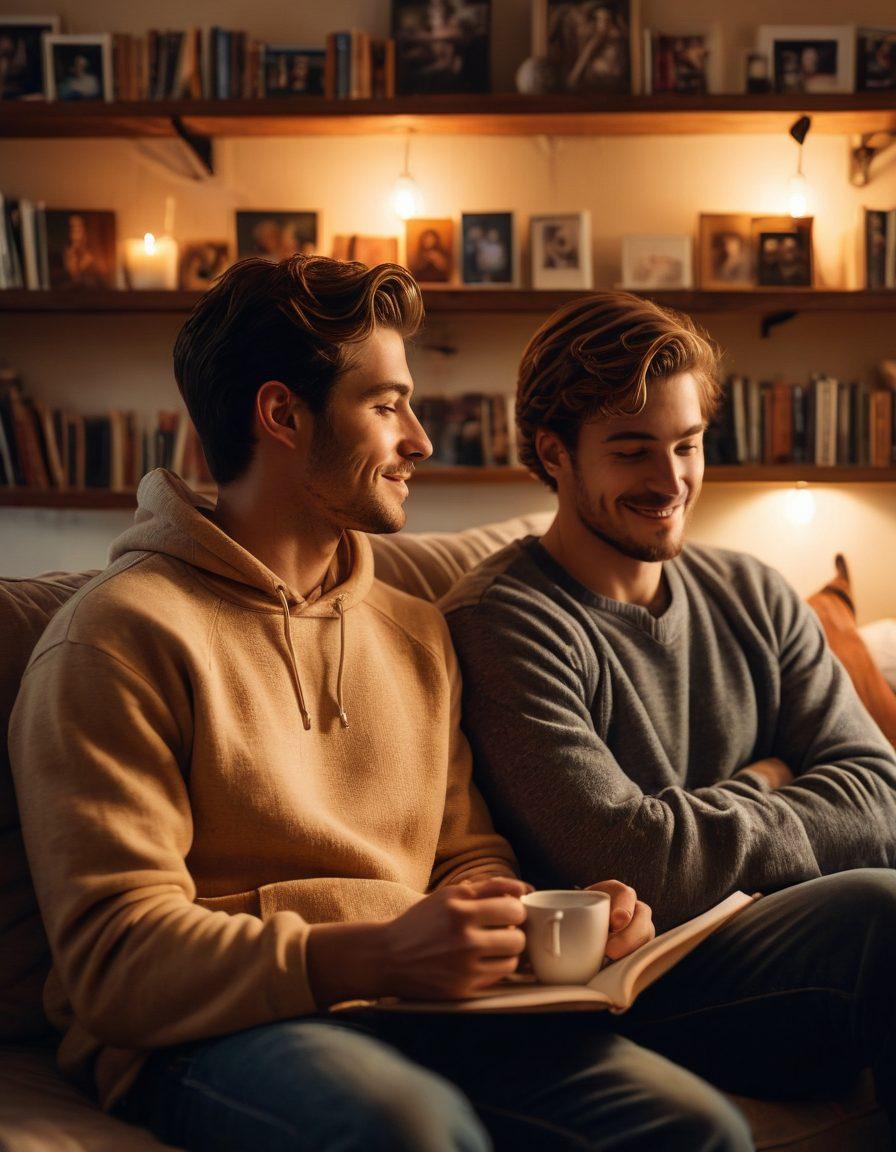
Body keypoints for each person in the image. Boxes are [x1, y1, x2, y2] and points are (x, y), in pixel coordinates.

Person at [9, 259, 755, 1152]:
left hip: (418, 1003)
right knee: (413, 1131)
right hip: (214, 1031)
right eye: (387, 405)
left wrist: (535, 921)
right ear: (283, 415)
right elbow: (115, 959)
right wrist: (371, 953)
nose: (420, 441)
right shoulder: (116, 639)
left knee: (694, 1128)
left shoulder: (414, 629)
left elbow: (464, 856)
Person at [442, 289, 896, 1134]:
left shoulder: (755, 591)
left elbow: (881, 794)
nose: (670, 480)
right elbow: (630, 856)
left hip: (793, 955)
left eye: (687, 444)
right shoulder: (503, 621)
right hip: (647, 987)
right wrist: (767, 779)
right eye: (632, 451)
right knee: (883, 910)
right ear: (554, 453)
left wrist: (710, 820)